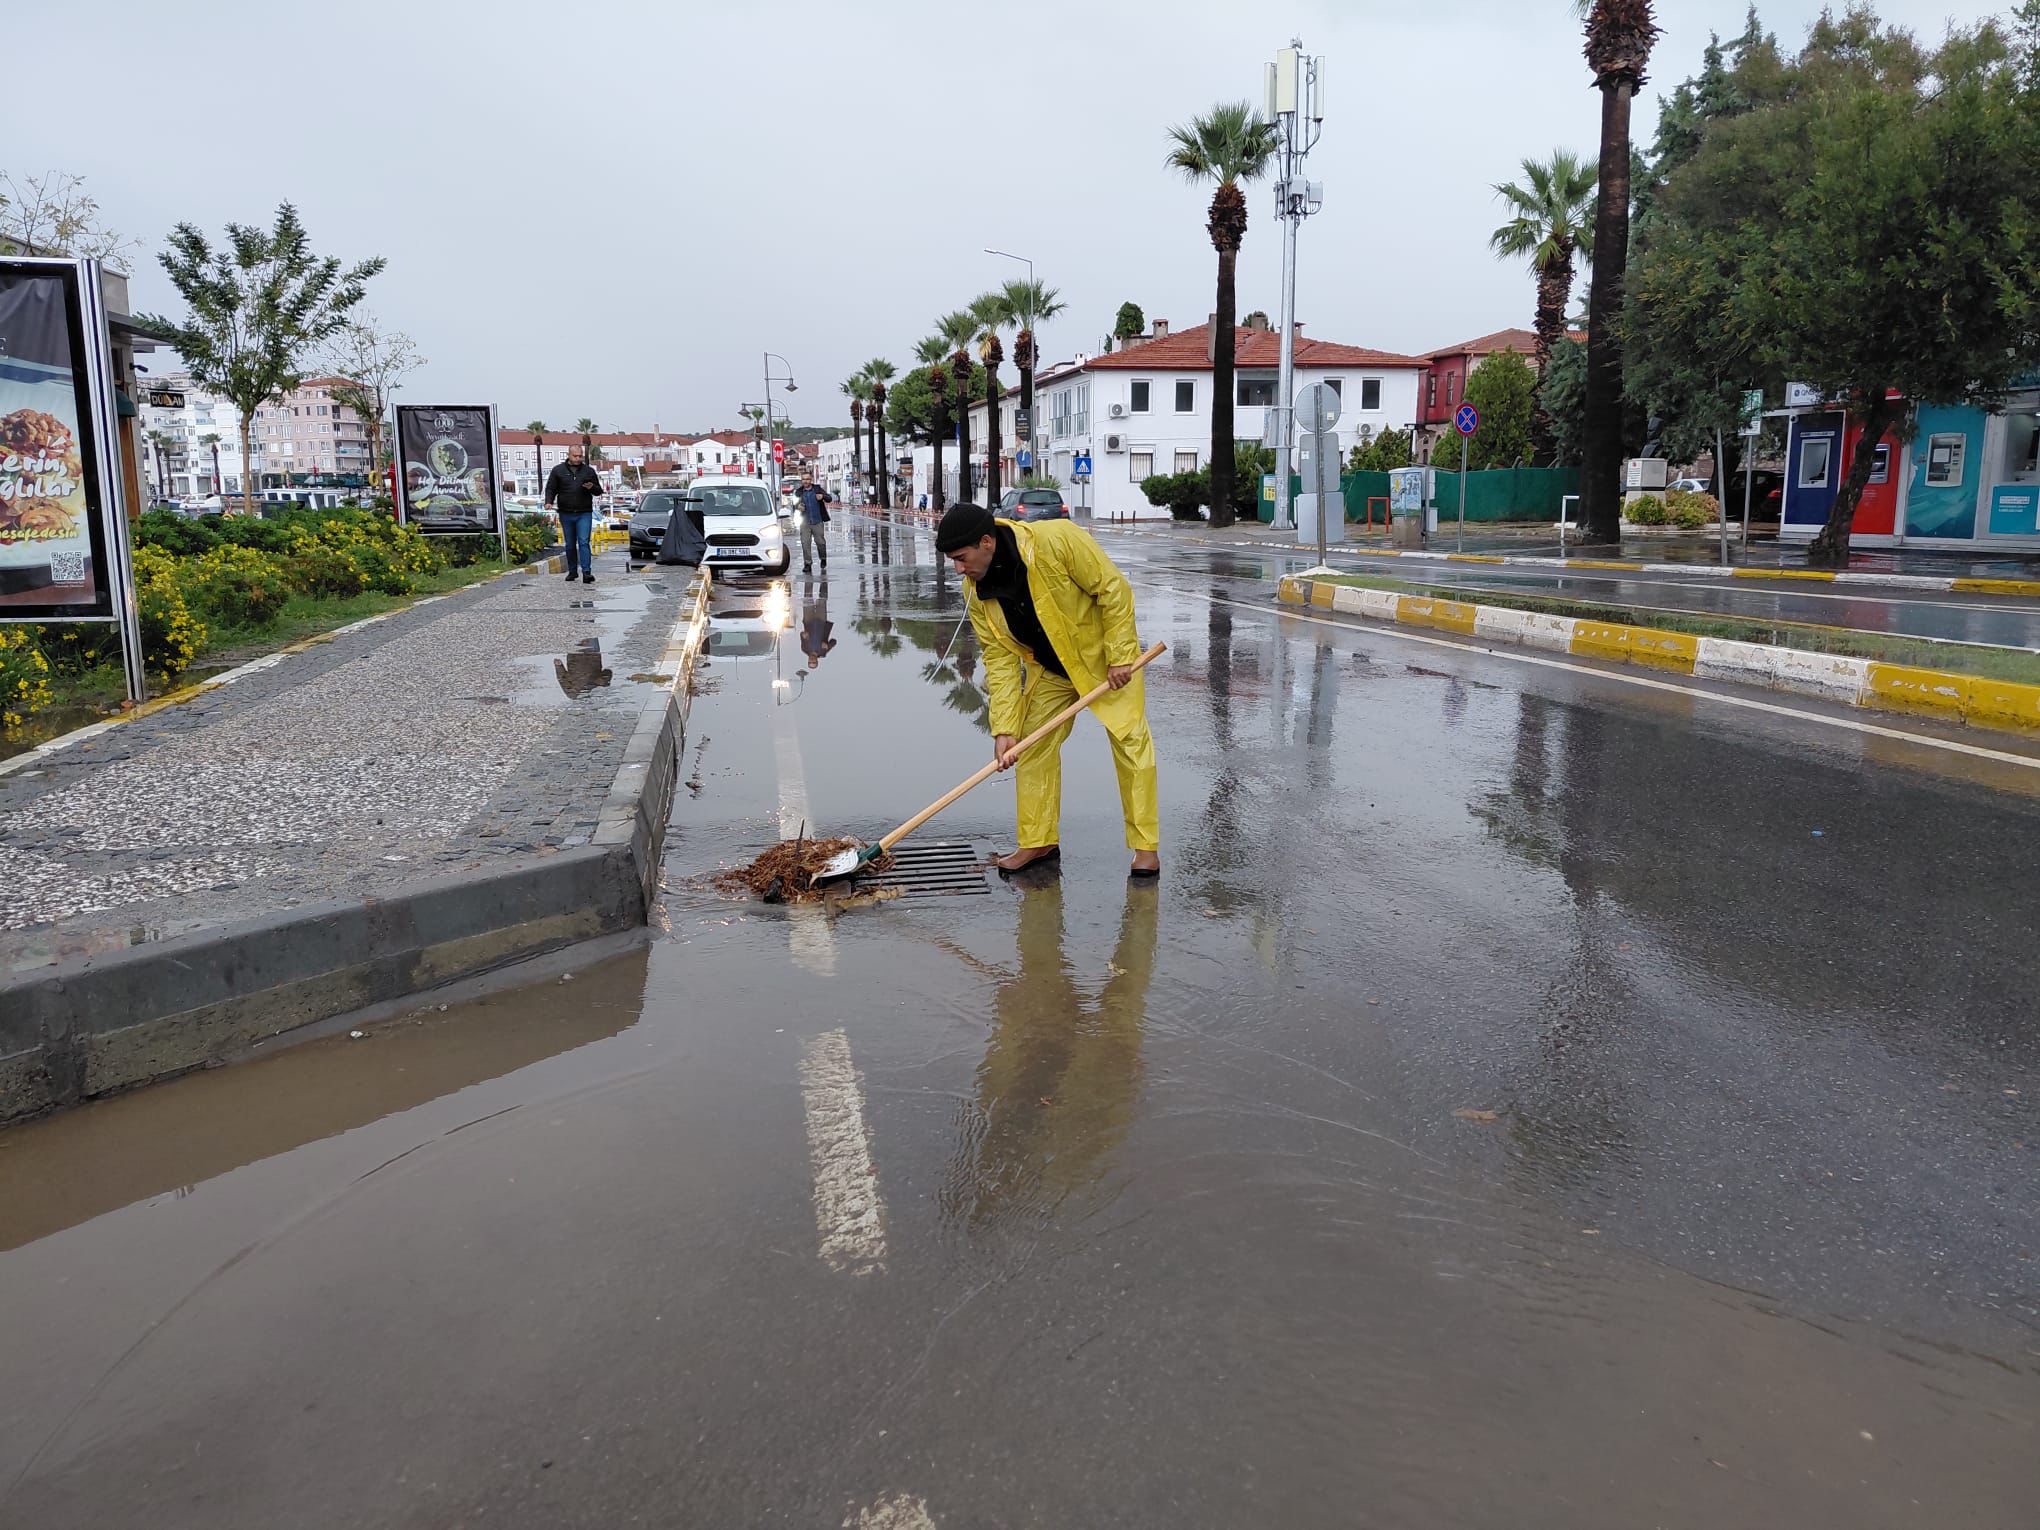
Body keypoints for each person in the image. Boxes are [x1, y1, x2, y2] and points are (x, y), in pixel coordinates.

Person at [935, 502, 1160, 879]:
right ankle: (1038, 841)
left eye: (961, 558)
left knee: (1131, 744)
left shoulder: (1057, 540)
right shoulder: (976, 592)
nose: (959, 569)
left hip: (1104, 663)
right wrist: (1005, 728)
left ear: (987, 542)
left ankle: (1145, 848)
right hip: (1052, 671)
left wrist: (1121, 655)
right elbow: (1001, 658)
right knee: (1033, 746)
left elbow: (1113, 590)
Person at [545, 444, 603, 584]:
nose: (578, 459)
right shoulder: (558, 470)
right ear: (568, 455)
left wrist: (592, 487)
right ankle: (572, 571)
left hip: (584, 512)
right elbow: (551, 488)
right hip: (566, 512)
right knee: (570, 544)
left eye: (580, 456)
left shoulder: (588, 471)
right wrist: (549, 502)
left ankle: (586, 572)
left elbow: (598, 491)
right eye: (575, 456)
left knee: (584, 542)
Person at [797, 479, 831, 572]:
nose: (805, 481)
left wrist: (822, 496)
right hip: (805, 522)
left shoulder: (817, 489)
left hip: (817, 521)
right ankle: (807, 564)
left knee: (820, 542)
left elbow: (829, 498)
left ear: (810, 480)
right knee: (805, 543)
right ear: (802, 481)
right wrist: (797, 506)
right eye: (804, 479)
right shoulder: (799, 492)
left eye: (807, 479)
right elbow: (794, 503)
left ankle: (823, 558)